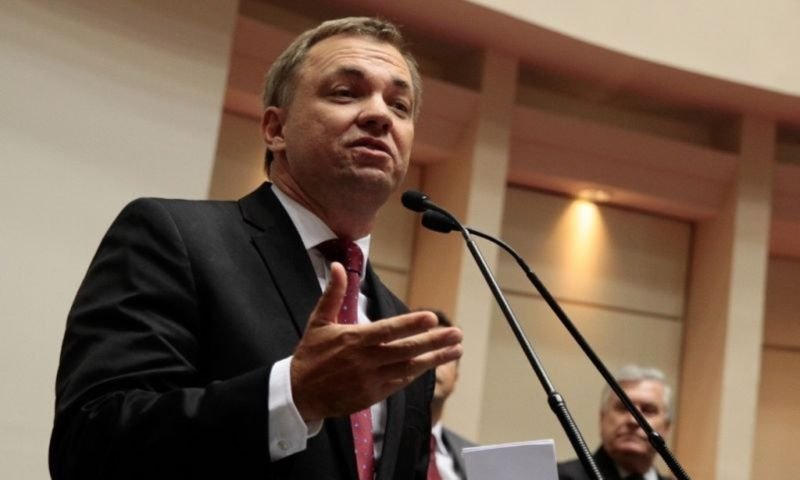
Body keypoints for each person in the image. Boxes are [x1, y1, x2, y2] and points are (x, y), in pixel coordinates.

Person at [49, 17, 463, 480]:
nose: (379, 115)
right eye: (345, 93)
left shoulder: (399, 331)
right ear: (275, 128)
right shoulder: (174, 237)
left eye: (399, 105)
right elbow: (90, 445)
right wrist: (293, 396)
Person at [557, 365, 673, 480]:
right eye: (623, 408)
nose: (633, 420)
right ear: (602, 418)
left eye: (648, 410)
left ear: (666, 427)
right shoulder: (558, 476)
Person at [427, 310, 476, 480]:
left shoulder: (474, 457)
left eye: (446, 355)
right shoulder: (373, 442)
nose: (436, 362)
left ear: (456, 378)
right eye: (426, 351)